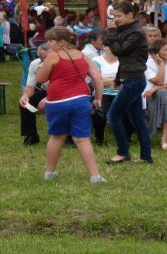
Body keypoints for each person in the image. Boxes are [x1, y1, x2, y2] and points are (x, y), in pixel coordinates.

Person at [33, 27, 106, 183]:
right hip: (81, 99)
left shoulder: (53, 56)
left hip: (58, 101)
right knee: (82, 138)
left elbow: (40, 78)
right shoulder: (83, 56)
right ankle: (95, 175)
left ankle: (50, 172)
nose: (48, 43)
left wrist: (44, 67)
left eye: (51, 40)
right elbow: (98, 78)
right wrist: (98, 98)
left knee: (57, 137)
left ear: (62, 42)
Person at [103, 2, 153, 165]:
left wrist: (111, 32)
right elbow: (111, 45)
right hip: (130, 78)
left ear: (131, 15)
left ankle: (123, 152)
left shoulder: (136, 33)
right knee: (137, 119)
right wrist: (118, 79)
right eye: (115, 16)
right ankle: (146, 156)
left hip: (134, 80)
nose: (116, 19)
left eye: (119, 16)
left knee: (113, 115)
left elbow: (119, 50)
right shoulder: (126, 30)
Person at [18, 43, 49, 146]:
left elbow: (64, 87)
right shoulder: (35, 64)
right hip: (46, 90)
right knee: (26, 104)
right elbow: (30, 86)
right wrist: (25, 96)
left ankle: (67, 136)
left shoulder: (61, 63)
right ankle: (31, 135)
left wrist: (47, 99)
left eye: (45, 57)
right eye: (40, 58)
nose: (43, 60)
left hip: (64, 93)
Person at [91, 45, 119, 147]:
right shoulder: (96, 60)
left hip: (121, 93)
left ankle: (126, 138)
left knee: (126, 111)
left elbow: (126, 80)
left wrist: (105, 80)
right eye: (109, 45)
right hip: (102, 93)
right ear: (103, 47)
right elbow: (96, 82)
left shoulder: (125, 60)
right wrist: (115, 80)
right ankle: (99, 139)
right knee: (99, 113)